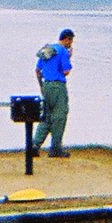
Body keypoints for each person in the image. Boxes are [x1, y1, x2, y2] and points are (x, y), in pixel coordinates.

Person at [32, 28, 75, 158]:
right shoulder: (63, 51)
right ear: (67, 39)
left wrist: (42, 85)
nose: (71, 44)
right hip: (58, 86)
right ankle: (56, 148)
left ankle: (34, 145)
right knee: (59, 115)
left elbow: (37, 70)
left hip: (46, 85)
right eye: (71, 41)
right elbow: (66, 71)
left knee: (46, 116)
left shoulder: (48, 50)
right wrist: (69, 57)